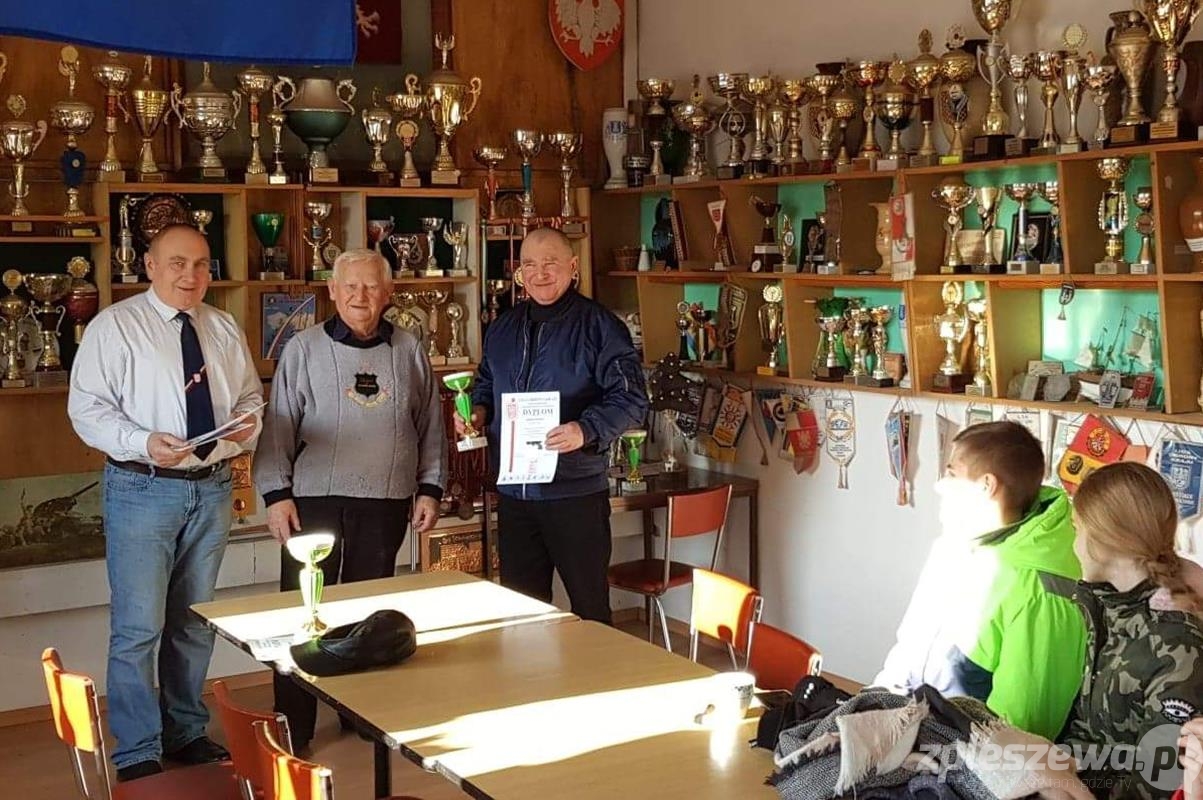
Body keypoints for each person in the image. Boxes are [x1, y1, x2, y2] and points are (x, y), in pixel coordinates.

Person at [68, 224, 262, 782]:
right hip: (142, 488)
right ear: (149, 266)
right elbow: (87, 409)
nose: (191, 275)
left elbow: (250, 396)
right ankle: (137, 750)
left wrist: (246, 424)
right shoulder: (114, 327)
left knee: (195, 622)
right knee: (139, 627)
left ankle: (185, 731)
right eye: (178, 263)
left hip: (212, 486)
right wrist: (143, 441)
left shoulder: (221, 326)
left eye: (201, 264)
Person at [253, 248, 445, 751]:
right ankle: (293, 721)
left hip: (386, 500)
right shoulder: (303, 347)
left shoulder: (408, 348)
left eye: (372, 286)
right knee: (303, 611)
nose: (361, 296)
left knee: (366, 615)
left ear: (389, 293)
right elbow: (278, 426)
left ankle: (360, 712)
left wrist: (430, 486)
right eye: (351, 286)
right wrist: (276, 495)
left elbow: (430, 424)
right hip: (312, 501)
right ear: (333, 291)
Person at [458, 227, 647, 624]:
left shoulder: (600, 326)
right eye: (530, 264)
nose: (540, 273)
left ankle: (597, 669)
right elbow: (487, 383)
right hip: (516, 494)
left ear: (573, 267)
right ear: (518, 272)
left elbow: (631, 399)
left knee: (590, 612)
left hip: (575, 494)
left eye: (550, 263)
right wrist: (478, 411)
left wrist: (585, 429)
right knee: (522, 614)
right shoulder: (503, 328)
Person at [873, 421, 1085, 740]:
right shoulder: (951, 547)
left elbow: (1018, 731)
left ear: (986, 486)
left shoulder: (1039, 589)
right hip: (904, 731)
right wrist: (872, 710)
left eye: (951, 474)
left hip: (958, 758)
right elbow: (907, 652)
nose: (939, 485)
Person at [1059, 462, 1203, 800]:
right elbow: (1087, 732)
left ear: (1107, 541)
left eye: (1077, 530)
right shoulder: (1106, 606)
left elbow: (1158, 779)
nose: (1074, 545)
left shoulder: (1176, 645)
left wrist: (1060, 786)